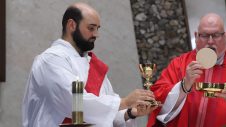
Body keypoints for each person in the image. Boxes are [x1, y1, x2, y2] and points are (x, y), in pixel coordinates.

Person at [22, 2, 157, 127]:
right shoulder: (51, 60)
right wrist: (124, 102)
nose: (96, 34)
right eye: (91, 28)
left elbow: (102, 114)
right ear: (72, 25)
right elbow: (74, 102)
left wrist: (130, 112)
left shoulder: (91, 63)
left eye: (97, 29)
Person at [147, 13, 226, 127]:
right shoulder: (180, 64)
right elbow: (156, 102)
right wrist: (183, 86)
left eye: (215, 35)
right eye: (204, 35)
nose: (210, 41)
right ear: (196, 36)